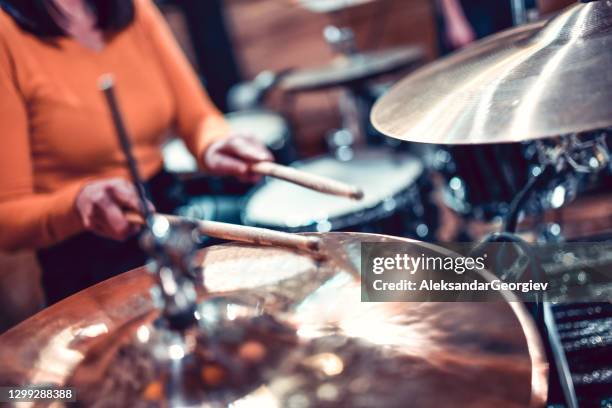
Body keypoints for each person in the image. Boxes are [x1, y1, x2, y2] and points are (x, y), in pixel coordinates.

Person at [0, 0, 273, 303]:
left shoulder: (131, 7)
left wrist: (213, 144)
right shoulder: (6, 35)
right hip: (88, 259)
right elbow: (7, 216)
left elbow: (197, 118)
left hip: (168, 210)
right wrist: (77, 205)